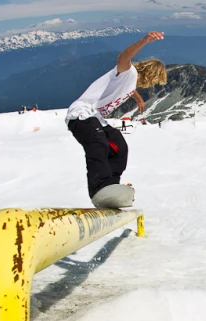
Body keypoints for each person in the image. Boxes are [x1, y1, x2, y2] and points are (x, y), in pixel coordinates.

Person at [65, 31, 167, 205]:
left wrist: (138, 98)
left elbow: (129, 88)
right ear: (151, 74)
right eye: (154, 81)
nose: (152, 85)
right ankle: (99, 188)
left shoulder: (131, 81)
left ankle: (111, 187)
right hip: (81, 114)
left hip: (95, 117)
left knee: (119, 147)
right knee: (98, 145)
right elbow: (123, 58)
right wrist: (144, 41)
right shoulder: (129, 72)